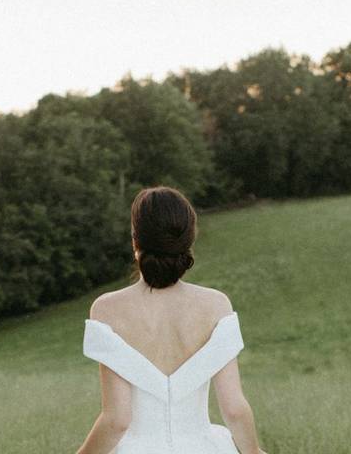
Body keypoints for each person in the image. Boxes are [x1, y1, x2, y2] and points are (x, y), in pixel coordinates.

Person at [76, 186, 267, 454]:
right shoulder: (216, 305)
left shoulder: (107, 309)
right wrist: (255, 452)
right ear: (188, 241)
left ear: (135, 240)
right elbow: (234, 409)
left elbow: (117, 420)